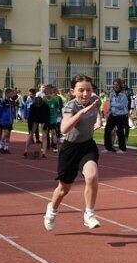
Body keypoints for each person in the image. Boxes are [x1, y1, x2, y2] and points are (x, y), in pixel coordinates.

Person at [43, 74, 103, 231]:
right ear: (73, 91)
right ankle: (52, 209)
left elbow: (96, 110)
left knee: (91, 176)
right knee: (64, 189)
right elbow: (63, 129)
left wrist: (98, 119)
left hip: (87, 146)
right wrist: (82, 113)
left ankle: (89, 213)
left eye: (88, 90)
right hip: (70, 148)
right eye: (81, 90)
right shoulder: (71, 106)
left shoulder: (96, 100)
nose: (85, 94)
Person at [103, 79, 130, 153]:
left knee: (120, 131)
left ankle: (122, 149)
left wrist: (113, 105)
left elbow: (123, 105)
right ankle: (108, 147)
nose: (115, 86)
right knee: (107, 130)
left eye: (117, 84)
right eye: (114, 84)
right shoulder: (112, 93)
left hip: (121, 115)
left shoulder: (124, 94)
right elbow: (110, 102)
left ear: (120, 85)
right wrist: (108, 110)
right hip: (113, 114)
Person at [0, 88, 16, 154]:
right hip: (4, 120)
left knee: (8, 135)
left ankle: (6, 148)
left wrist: (13, 117)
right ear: (7, 94)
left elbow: (13, 108)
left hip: (10, 120)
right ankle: (0, 146)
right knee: (5, 133)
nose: (13, 95)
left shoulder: (11, 101)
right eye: (11, 94)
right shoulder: (3, 101)